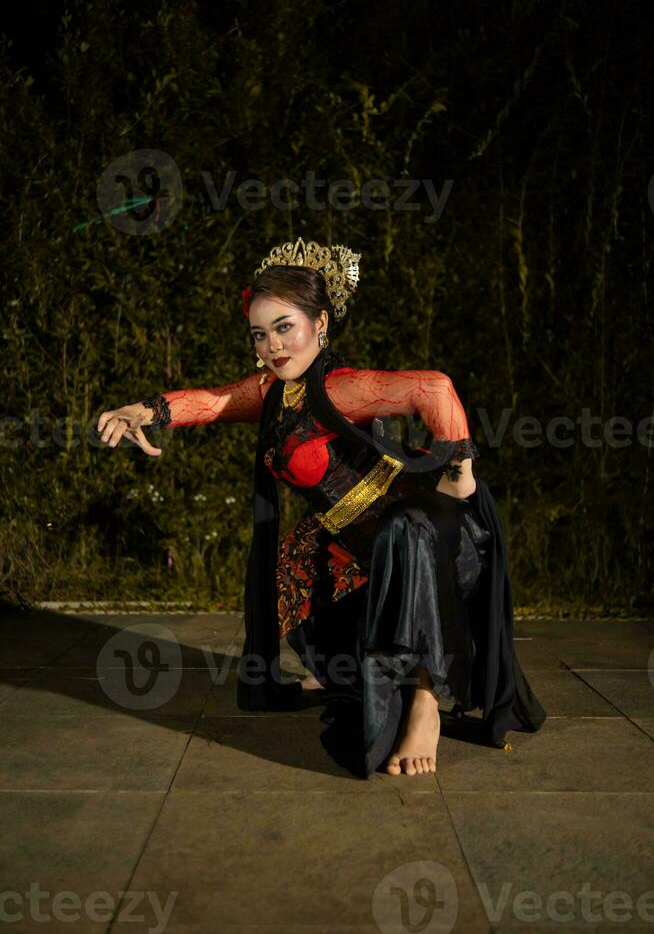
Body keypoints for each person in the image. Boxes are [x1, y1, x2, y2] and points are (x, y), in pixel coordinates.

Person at [97, 236, 546, 779]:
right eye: (260, 334)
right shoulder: (272, 393)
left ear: (322, 323)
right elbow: (212, 402)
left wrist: (461, 483)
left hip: (431, 544)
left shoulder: (339, 387)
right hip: (359, 543)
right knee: (292, 562)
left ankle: (424, 700)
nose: (273, 345)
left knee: (405, 529)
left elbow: (434, 388)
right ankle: (350, 672)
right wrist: (141, 410)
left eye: (285, 327)